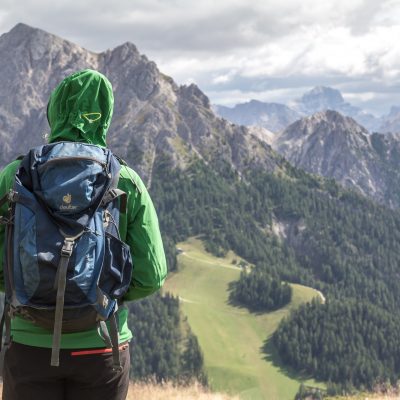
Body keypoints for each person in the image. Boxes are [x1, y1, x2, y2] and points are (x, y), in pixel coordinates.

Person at [0, 69, 167, 400]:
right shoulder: (126, 181)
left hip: (28, 346)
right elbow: (152, 276)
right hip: (102, 346)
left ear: (55, 110)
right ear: (104, 115)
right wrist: (99, 293)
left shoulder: (14, 176)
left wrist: (28, 288)